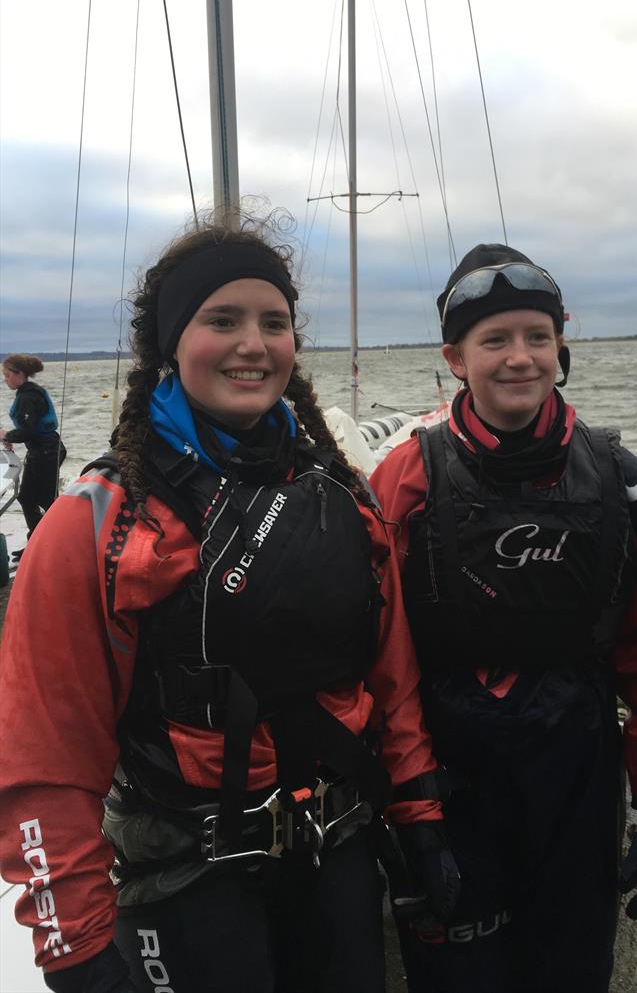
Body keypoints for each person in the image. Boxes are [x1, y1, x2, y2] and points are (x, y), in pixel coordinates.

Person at [0, 215, 459, 993]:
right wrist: (73, 948)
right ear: (170, 346)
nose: (254, 343)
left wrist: (420, 820)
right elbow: (46, 755)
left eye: (273, 323)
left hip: (335, 854)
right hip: (186, 878)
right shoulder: (97, 524)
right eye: (223, 320)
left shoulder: (341, 498)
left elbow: (393, 685)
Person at [370, 243, 637, 993]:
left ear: (562, 347)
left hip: (577, 763)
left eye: (537, 336)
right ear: (455, 358)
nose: (519, 358)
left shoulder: (629, 489)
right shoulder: (405, 481)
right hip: (448, 764)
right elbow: (383, 656)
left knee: (568, 968)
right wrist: (411, 805)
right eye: (494, 340)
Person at [0, 353, 67, 558]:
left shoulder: (28, 396)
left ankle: (50, 544)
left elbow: (28, 430)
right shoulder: (28, 393)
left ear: (20, 374)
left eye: (7, 375)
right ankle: (40, 543)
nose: (5, 380)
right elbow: (30, 428)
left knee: (36, 499)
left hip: (46, 451)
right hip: (46, 449)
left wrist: (6, 435)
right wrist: (10, 437)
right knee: (32, 498)